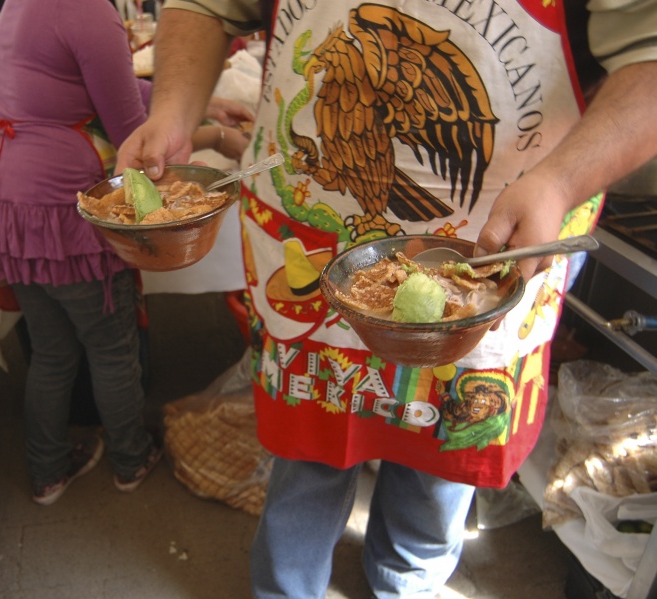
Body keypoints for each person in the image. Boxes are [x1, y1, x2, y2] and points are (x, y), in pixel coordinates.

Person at [115, 0, 657, 596]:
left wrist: (560, 182)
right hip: (313, 239)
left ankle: (407, 584)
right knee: (308, 451)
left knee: (439, 457)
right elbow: (207, 7)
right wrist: (171, 111)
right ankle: (285, 589)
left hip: (492, 247)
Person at [0, 0, 251, 506]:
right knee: (112, 349)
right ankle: (131, 458)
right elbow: (133, 137)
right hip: (62, 212)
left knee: (52, 352)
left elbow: (90, 86)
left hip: (9, 204)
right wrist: (219, 138)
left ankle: (47, 470)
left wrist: (203, 103)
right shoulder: (89, 10)